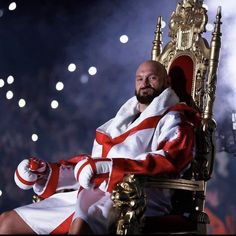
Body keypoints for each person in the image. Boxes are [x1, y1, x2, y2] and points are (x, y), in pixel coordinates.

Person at [0, 60, 200, 234]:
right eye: (139, 78)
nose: (144, 84)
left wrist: (108, 168)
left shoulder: (175, 118)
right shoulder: (119, 121)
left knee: (80, 227)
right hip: (94, 193)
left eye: (152, 78)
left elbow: (171, 159)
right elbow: (92, 164)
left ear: (167, 82)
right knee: (6, 223)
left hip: (138, 197)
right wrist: (47, 172)